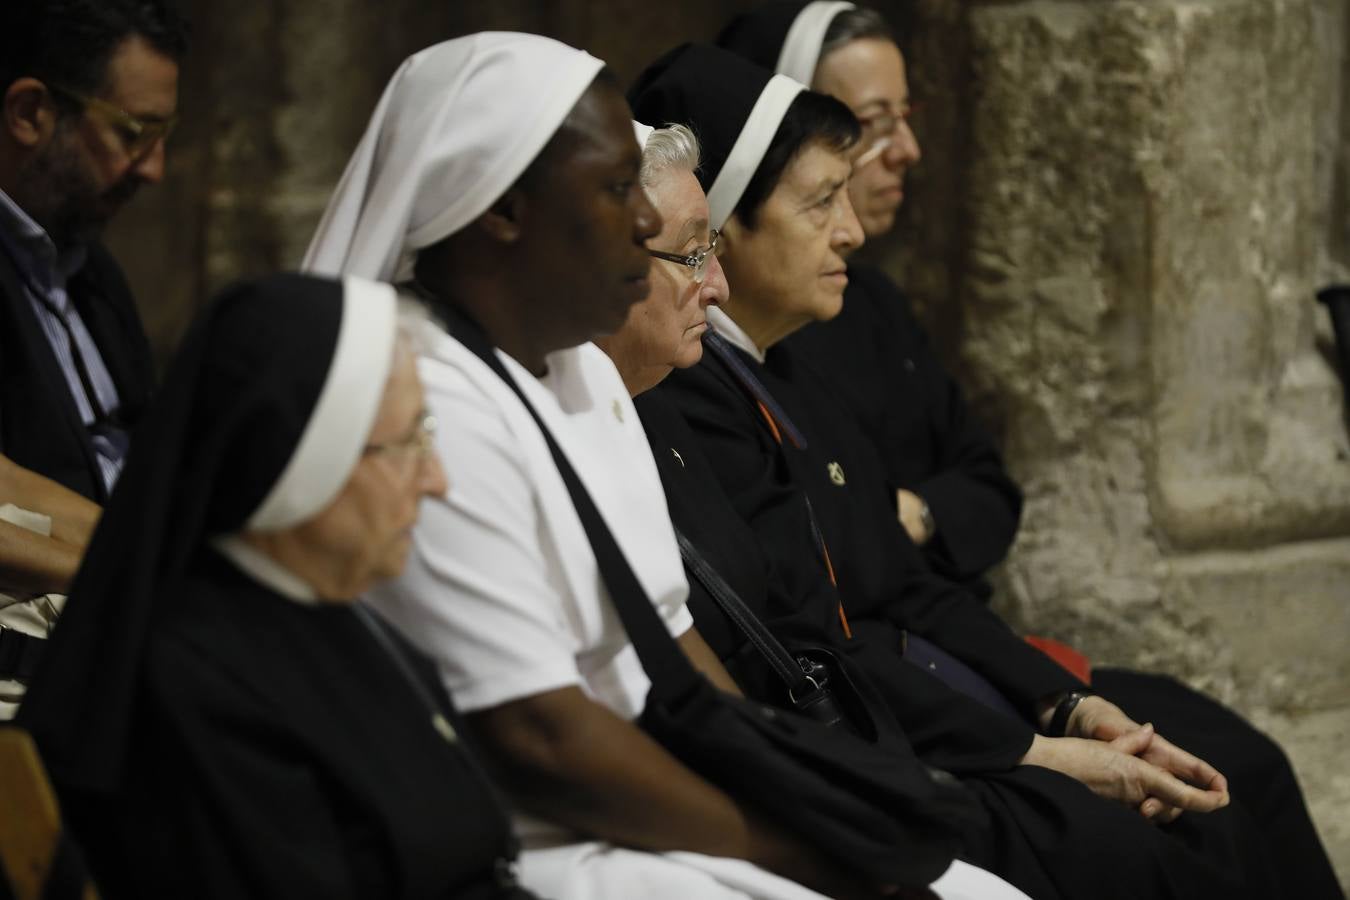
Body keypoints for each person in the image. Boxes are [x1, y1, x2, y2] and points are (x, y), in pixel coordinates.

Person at [631, 41, 1298, 900]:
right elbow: (809, 646)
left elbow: (916, 566)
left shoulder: (793, 369)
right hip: (882, 745)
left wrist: (1069, 708)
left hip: (927, 711)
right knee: (1158, 850)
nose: (855, 231)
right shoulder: (688, 402)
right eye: (822, 201)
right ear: (723, 231)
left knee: (1229, 793)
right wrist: (1042, 755)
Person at [303, 32, 888, 900]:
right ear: (503, 212)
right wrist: (778, 841)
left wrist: (802, 795)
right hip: (530, 835)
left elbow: (671, 641)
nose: (644, 225)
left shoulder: (583, 370)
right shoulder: (422, 400)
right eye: (617, 191)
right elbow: (539, 736)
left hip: (655, 801)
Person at [16, 273, 539, 899]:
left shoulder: (340, 611)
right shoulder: (192, 690)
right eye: (410, 444)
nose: (437, 482)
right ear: (303, 460)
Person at [718, 1, 1019, 594]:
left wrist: (910, 514)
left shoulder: (875, 302)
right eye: (874, 123)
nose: (908, 148)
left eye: (906, 115)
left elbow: (992, 491)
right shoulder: (751, 324)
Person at [0, 0, 186, 710]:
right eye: (134, 134)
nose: (156, 170)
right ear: (28, 112)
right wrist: (144, 575)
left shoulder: (92, 268)